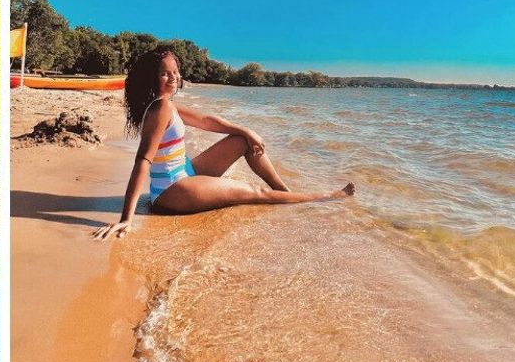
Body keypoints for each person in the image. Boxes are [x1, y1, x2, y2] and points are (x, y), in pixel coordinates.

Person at [95, 48, 355, 240]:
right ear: (152, 78)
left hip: (184, 173)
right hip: (172, 190)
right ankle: (322, 198)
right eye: (164, 73)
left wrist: (246, 130)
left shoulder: (167, 105)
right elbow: (143, 160)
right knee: (254, 192)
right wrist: (125, 220)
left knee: (241, 141)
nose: (173, 77)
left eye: (175, 71)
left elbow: (207, 121)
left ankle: (285, 194)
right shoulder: (160, 108)